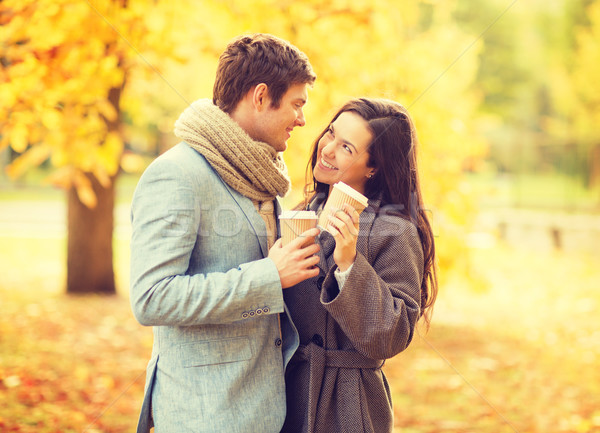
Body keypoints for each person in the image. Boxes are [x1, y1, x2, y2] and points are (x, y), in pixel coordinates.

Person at [129, 33, 320, 433]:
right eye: (297, 104)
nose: (302, 119)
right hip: (204, 415)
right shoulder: (176, 175)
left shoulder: (261, 175)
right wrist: (269, 277)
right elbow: (151, 297)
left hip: (270, 410)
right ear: (261, 96)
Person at [281, 98, 438, 433]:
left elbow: (393, 336)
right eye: (330, 134)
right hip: (286, 393)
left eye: (346, 147)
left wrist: (349, 263)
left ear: (373, 167)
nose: (327, 149)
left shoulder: (394, 229)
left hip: (349, 405)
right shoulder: (305, 210)